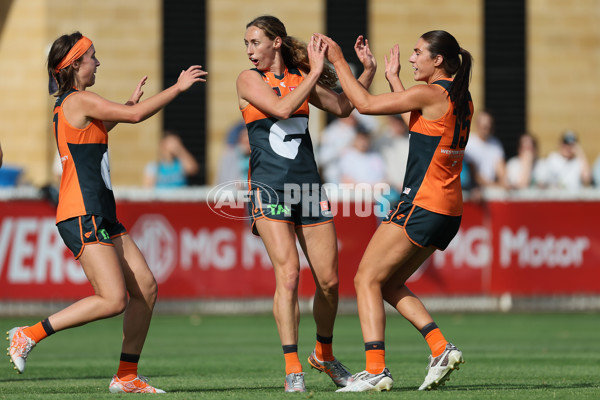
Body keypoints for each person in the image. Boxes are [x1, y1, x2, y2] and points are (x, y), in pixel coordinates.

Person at [6, 31, 206, 393]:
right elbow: (137, 116)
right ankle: (28, 334)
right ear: (75, 65)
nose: (98, 62)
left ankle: (126, 376)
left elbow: (97, 131)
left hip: (100, 211)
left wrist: (127, 104)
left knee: (145, 288)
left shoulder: (75, 105)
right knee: (113, 299)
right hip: (82, 213)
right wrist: (177, 88)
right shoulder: (79, 100)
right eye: (92, 57)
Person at [317, 29, 472, 392]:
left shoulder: (430, 93)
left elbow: (366, 106)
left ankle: (375, 370)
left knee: (364, 280)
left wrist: (339, 61)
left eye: (419, 53)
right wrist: (394, 80)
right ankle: (440, 348)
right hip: (448, 210)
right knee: (387, 283)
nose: (413, 58)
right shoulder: (460, 99)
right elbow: (420, 130)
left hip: (422, 202)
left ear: (438, 61)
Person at [235, 15, 376, 392]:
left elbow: (345, 108)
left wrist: (365, 71)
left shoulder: (301, 76)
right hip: (269, 191)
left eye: (255, 42)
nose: (250, 51)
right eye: (247, 44)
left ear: (276, 43)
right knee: (290, 274)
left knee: (330, 282)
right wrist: (314, 72)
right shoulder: (248, 80)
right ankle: (292, 366)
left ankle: (323, 354)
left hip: (308, 189)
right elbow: (281, 110)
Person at [464, 110, 508, 189]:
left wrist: (503, 182)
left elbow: (501, 169)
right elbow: (473, 173)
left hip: (490, 190)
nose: (487, 129)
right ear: (478, 125)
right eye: (484, 126)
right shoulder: (468, 143)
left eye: (489, 126)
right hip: (474, 190)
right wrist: (496, 185)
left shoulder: (496, 143)